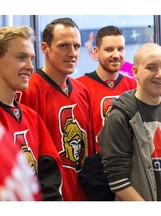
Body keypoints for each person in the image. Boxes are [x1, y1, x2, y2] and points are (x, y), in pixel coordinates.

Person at [98, 43, 161, 201]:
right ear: (135, 72)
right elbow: (118, 180)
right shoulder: (120, 117)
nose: (160, 74)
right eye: (151, 68)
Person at [19, 18, 95, 201]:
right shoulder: (29, 91)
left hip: (85, 194)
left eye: (76, 46)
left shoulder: (82, 90)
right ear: (45, 48)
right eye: (63, 46)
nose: (72, 53)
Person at [0, 26, 62, 201]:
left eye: (32, 59)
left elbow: (49, 176)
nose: (30, 67)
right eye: (21, 57)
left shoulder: (31, 117)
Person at [76, 25, 136, 200]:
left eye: (120, 49)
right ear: (95, 51)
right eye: (109, 49)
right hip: (96, 174)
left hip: (129, 170)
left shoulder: (134, 87)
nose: (116, 55)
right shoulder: (80, 87)